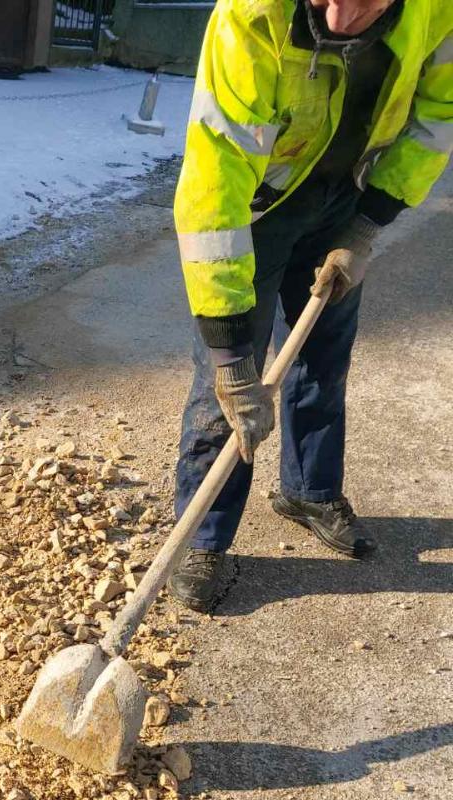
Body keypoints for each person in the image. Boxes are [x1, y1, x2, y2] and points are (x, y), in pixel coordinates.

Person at [168, 0, 452, 612]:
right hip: (258, 208)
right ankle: (202, 536)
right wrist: (228, 350)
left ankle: (310, 490)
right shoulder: (252, 17)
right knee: (225, 388)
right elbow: (214, 178)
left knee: (323, 355)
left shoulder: (438, 12)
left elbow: (437, 114)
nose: (345, 14)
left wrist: (368, 224)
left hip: (344, 198)